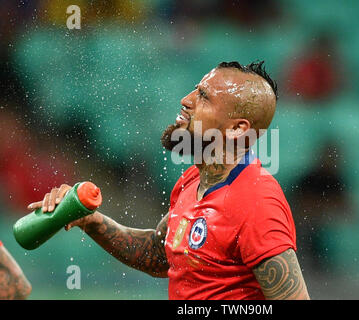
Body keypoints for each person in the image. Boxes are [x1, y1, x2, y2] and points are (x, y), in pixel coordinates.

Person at [27, 61, 310, 300]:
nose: (186, 100)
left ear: (238, 129)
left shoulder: (257, 202)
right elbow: (159, 254)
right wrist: (90, 220)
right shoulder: (193, 179)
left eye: (204, 96)